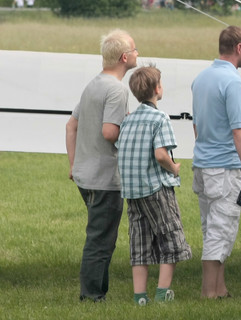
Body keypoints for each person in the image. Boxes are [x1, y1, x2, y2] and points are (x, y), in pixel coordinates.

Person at [65, 29, 138, 302]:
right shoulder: (117, 90)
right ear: (123, 57)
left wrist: (74, 164)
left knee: (101, 236)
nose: (137, 53)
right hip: (104, 179)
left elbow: (71, 125)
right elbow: (110, 132)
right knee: (100, 240)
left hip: (85, 175)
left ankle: (97, 291)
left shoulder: (94, 84)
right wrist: (131, 129)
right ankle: (92, 295)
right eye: (134, 49)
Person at [191, 26, 241, 299]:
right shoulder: (232, 81)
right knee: (222, 230)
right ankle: (209, 292)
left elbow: (197, 125)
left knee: (212, 228)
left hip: (202, 164)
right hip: (223, 168)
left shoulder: (201, 78)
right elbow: (239, 130)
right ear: (239, 47)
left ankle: (220, 289)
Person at [117, 65, 192, 305]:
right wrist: (174, 167)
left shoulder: (128, 120)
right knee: (170, 238)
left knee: (139, 241)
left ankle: (140, 297)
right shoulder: (159, 118)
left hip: (132, 191)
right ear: (157, 89)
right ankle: (162, 293)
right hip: (155, 188)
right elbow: (160, 155)